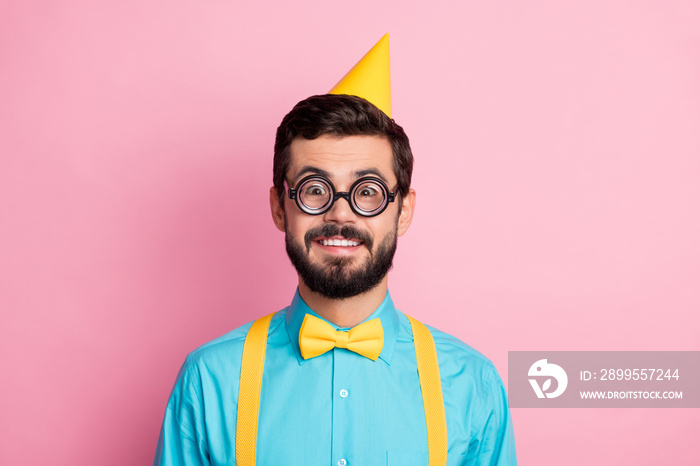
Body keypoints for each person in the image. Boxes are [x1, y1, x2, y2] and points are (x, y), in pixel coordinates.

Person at [154, 36, 516, 466]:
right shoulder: (209, 382)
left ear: (403, 210)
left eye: (368, 191)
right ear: (278, 207)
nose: (340, 214)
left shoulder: (472, 386)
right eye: (314, 189)